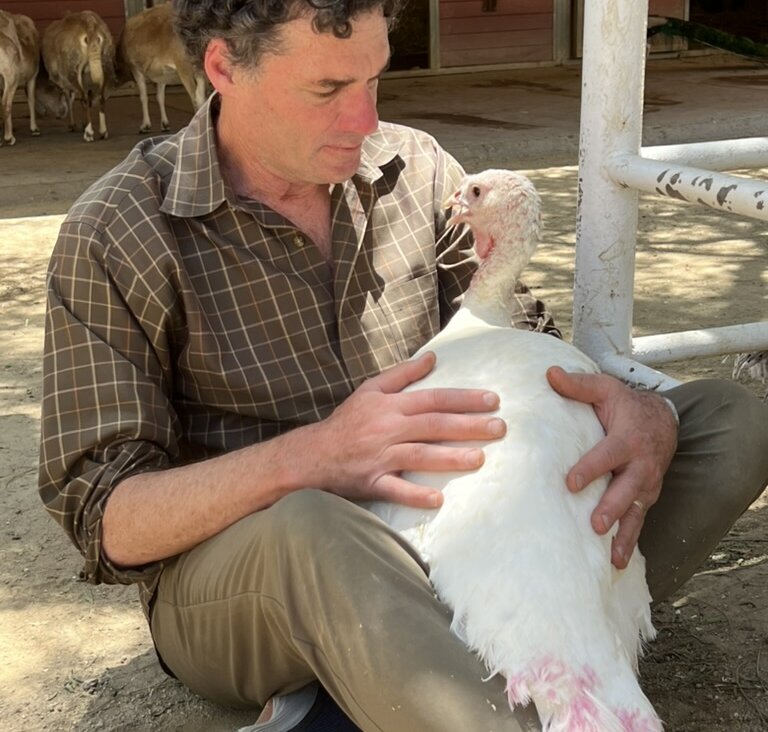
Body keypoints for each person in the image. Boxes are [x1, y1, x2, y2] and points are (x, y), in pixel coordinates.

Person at [38, 1, 768, 731]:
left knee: (726, 423)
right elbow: (109, 520)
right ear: (225, 66)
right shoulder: (121, 229)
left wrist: (631, 410)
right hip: (263, 564)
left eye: (375, 82)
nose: (364, 122)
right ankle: (491, 697)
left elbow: (524, 343)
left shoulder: (415, 169)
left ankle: (395, 682)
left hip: (461, 532)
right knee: (316, 531)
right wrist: (317, 455)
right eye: (327, 90)